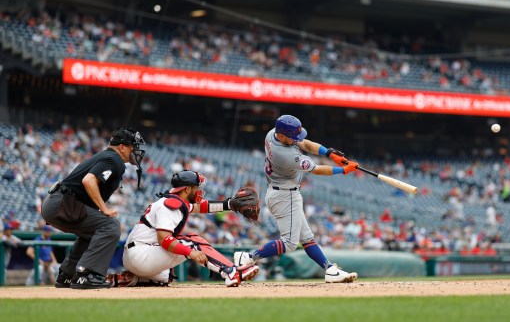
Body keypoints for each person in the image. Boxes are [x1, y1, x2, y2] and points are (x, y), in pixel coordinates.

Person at [234, 115, 358, 283]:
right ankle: (248, 256)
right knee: (290, 244)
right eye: (292, 137)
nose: (296, 140)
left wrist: (329, 153)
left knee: (307, 238)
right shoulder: (285, 155)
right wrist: (342, 170)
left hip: (281, 192)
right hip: (286, 195)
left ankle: (329, 270)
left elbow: (305, 143)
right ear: (283, 135)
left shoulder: (273, 134)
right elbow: (316, 169)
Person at [110, 170, 259, 287]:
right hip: (141, 254)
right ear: (187, 189)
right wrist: (190, 252)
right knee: (193, 241)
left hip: (135, 255)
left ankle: (130, 278)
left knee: (166, 275)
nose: (199, 191)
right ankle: (231, 271)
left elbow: (201, 207)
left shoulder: (174, 201)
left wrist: (228, 205)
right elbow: (164, 239)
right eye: (196, 187)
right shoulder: (171, 205)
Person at [41, 128, 146, 289]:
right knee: (110, 226)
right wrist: (104, 208)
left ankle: (68, 275)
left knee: (92, 231)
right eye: (134, 146)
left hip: (59, 203)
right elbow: (88, 180)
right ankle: (87, 274)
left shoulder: (108, 157)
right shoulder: (114, 159)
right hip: (63, 203)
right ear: (123, 147)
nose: (136, 151)